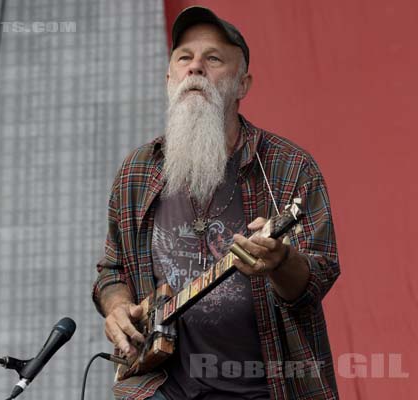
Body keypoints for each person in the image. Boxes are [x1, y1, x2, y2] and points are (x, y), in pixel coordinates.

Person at [92, 6, 340, 400]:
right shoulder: (138, 170)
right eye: (184, 57)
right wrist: (118, 307)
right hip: (161, 386)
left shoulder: (289, 167)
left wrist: (280, 262)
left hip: (267, 387)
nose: (195, 68)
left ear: (243, 84)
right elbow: (112, 268)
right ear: (169, 77)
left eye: (213, 59)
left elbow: (317, 278)